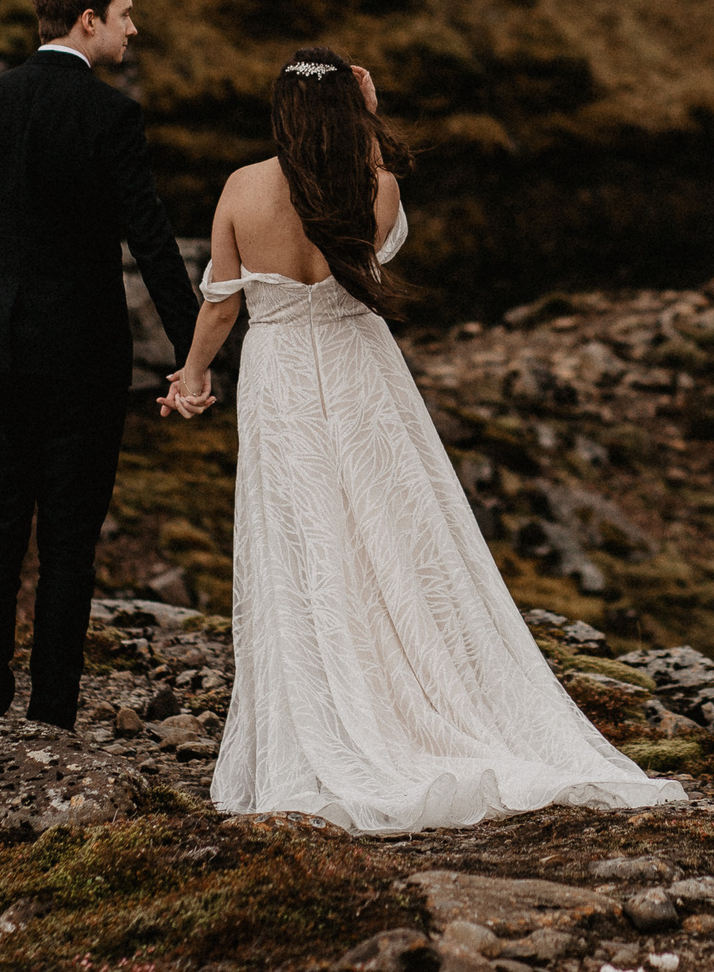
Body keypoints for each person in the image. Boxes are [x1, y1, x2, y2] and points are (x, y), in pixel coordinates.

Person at [161, 46, 685, 831]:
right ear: (351, 109)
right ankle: (419, 693)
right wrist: (366, 122)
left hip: (282, 385)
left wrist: (193, 376)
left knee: (304, 537)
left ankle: (333, 707)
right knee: (395, 531)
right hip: (362, 370)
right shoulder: (374, 185)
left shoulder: (242, 187)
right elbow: (375, 245)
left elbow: (221, 305)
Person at [0, 0, 206, 727]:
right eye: (125, 13)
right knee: (67, 545)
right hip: (81, 364)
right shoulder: (109, 115)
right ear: (87, 19)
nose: (133, 28)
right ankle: (53, 714)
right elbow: (151, 241)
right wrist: (193, 356)